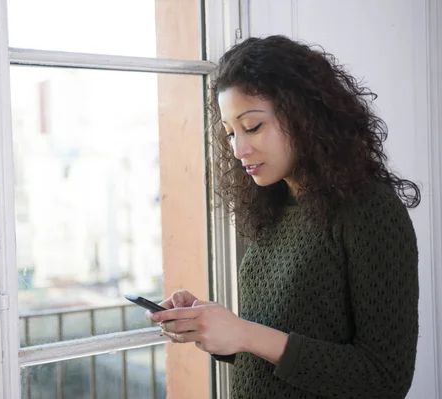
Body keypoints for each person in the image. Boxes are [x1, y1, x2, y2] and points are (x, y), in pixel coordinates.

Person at [148, 35, 420, 399]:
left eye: (253, 126)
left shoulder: (369, 209)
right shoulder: (275, 206)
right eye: (230, 133)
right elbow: (285, 348)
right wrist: (218, 330)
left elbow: (385, 378)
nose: (238, 149)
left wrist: (245, 334)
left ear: (304, 115)